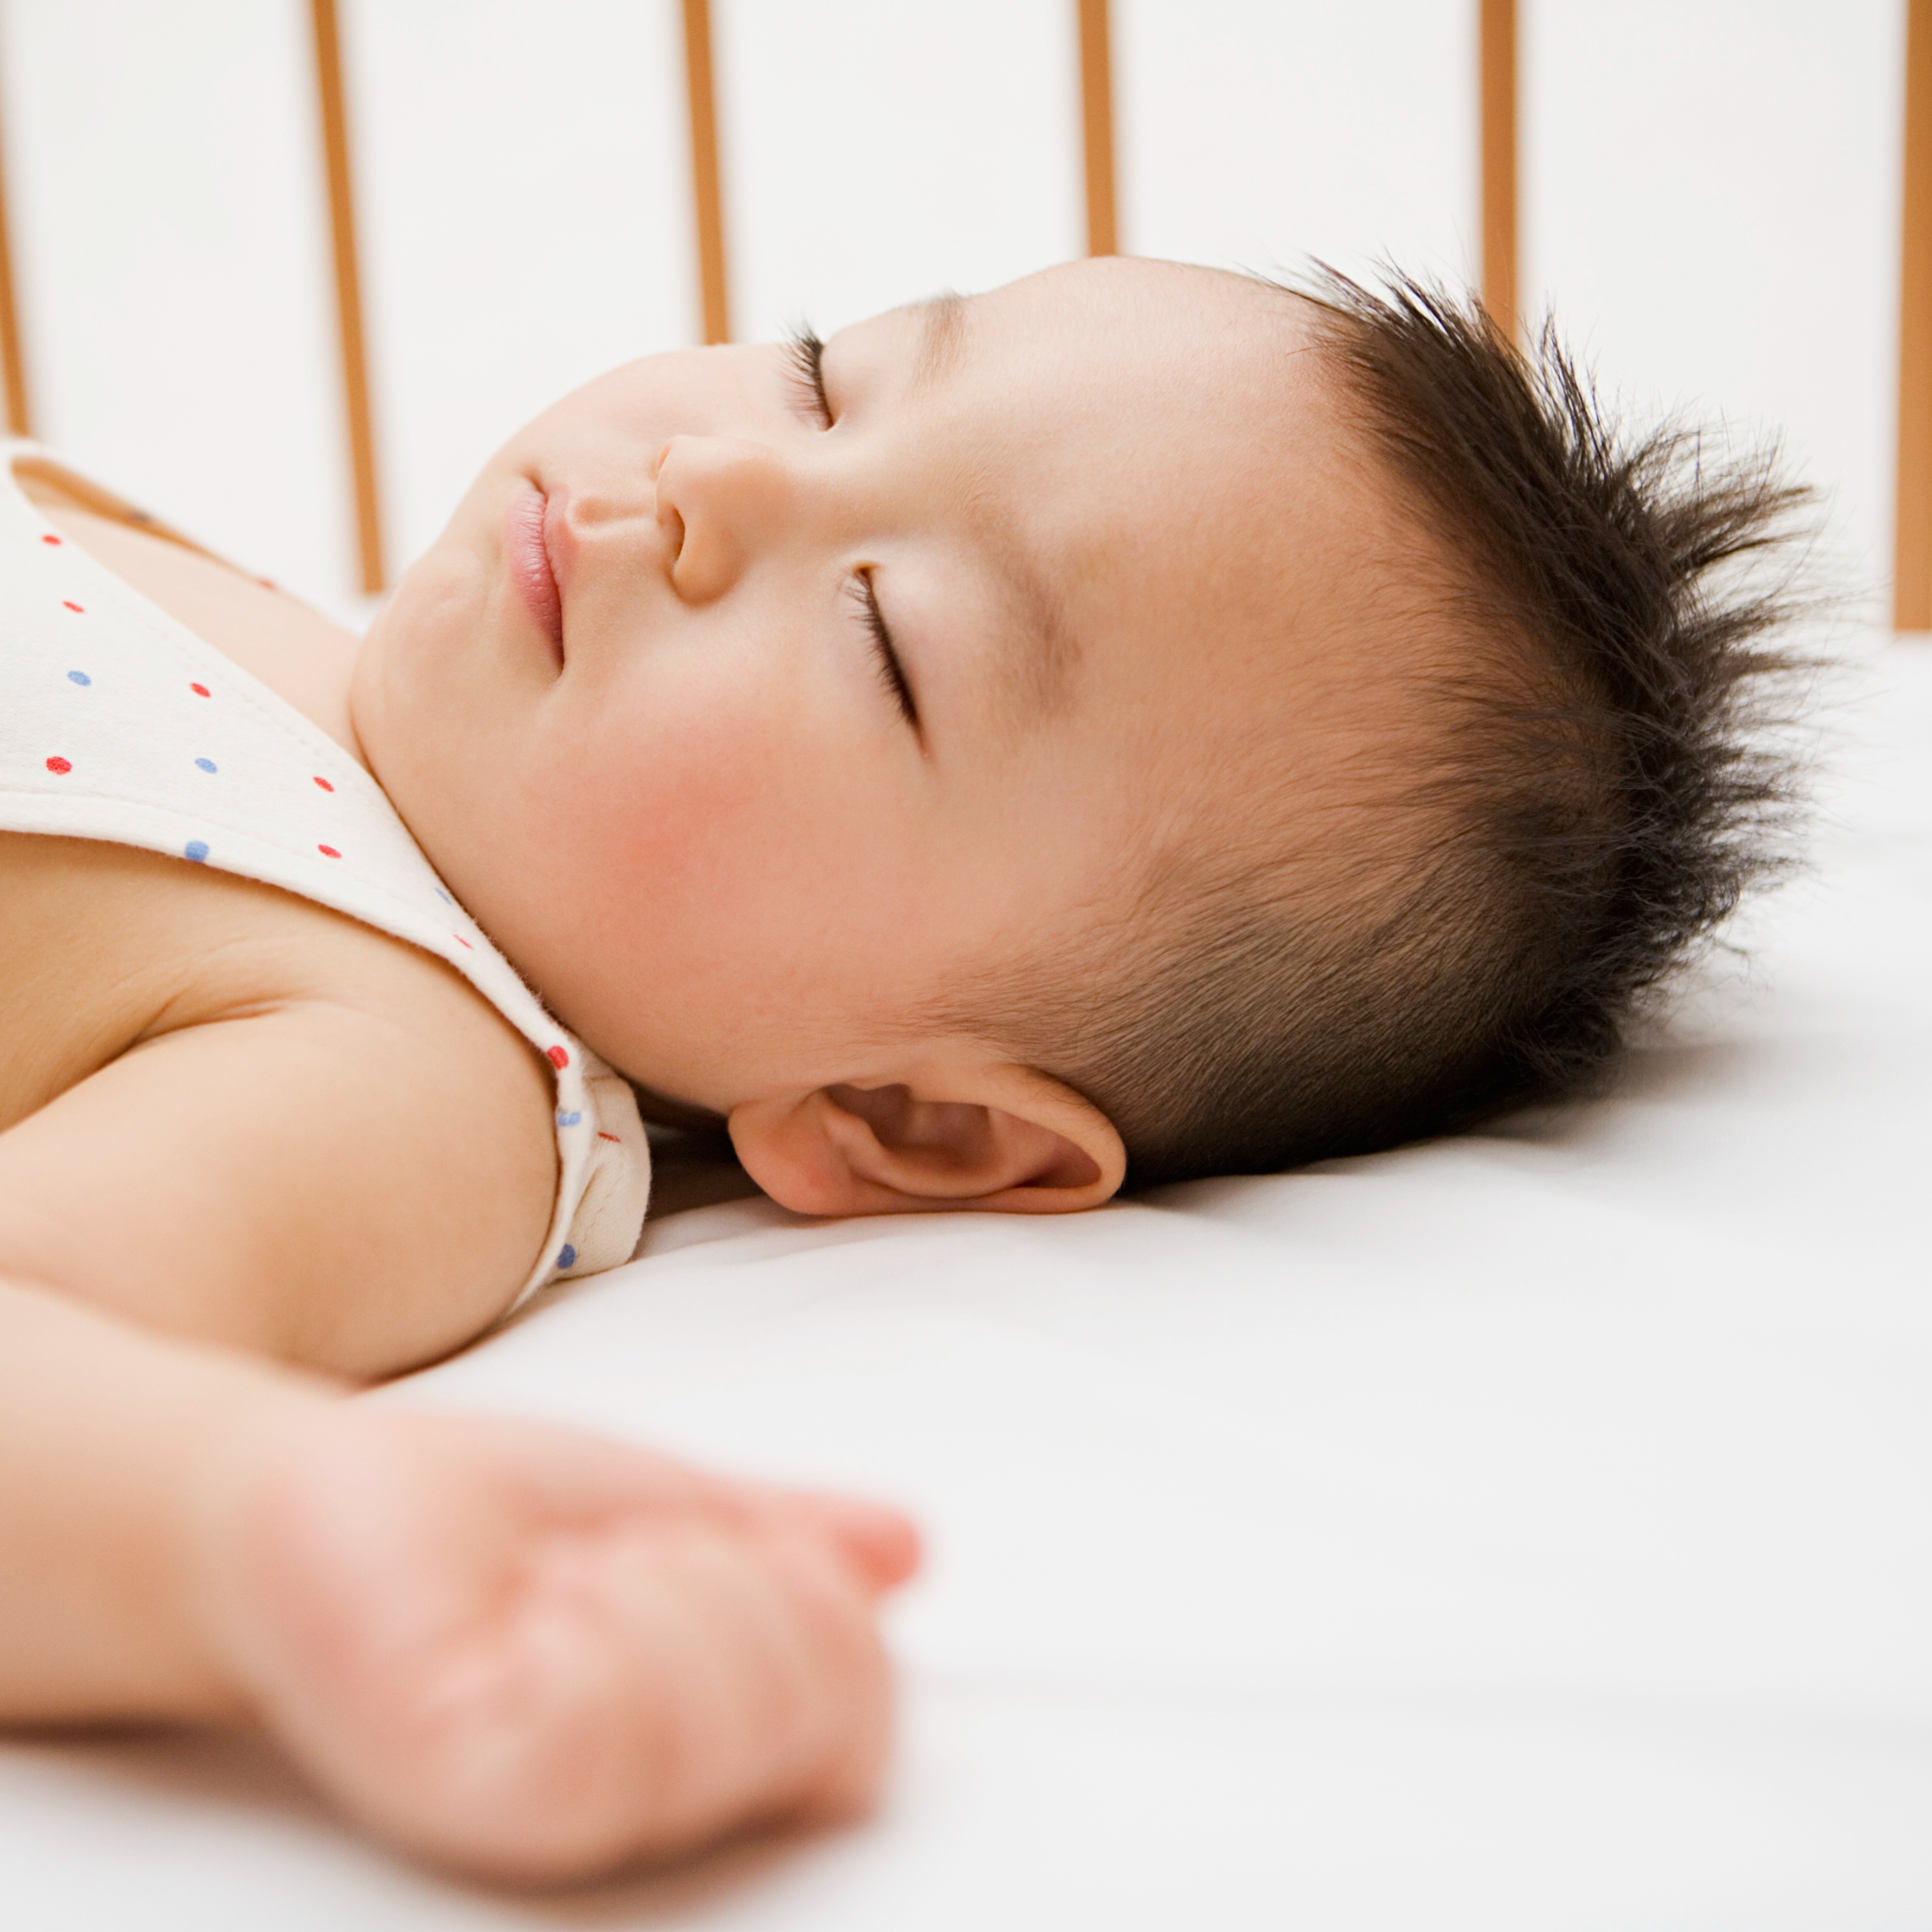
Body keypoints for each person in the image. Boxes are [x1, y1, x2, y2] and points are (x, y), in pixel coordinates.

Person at [0, 256, 1804, 1883]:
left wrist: (249, 1532)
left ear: (911, 1120)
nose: (717, 477)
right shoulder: (277, 620)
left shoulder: (407, 1059)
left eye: (886, 643)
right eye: (819, 380)